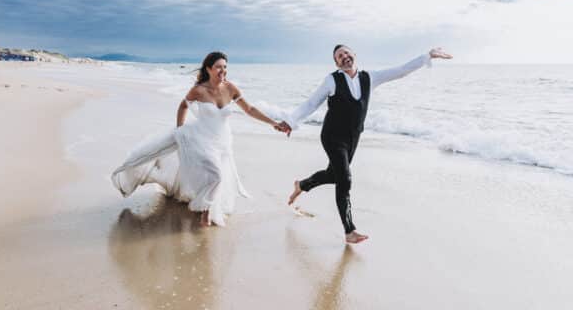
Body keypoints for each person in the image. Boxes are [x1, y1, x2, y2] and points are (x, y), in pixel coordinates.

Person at [280, 45, 452, 244]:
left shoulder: (370, 77)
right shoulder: (332, 80)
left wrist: (427, 56)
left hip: (353, 137)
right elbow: (311, 103)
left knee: (334, 175)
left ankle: (301, 185)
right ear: (336, 63)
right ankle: (349, 231)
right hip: (332, 136)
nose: (344, 56)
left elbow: (400, 71)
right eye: (339, 56)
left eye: (346, 53)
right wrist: (291, 122)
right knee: (345, 179)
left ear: (354, 55)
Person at [112, 52, 287, 227]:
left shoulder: (231, 88)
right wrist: (180, 130)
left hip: (223, 141)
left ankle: (205, 207)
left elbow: (250, 109)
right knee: (216, 176)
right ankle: (204, 212)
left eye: (225, 67)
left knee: (214, 175)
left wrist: (273, 123)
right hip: (200, 138)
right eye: (219, 67)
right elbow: (183, 106)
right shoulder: (199, 90)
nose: (223, 70)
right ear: (208, 69)